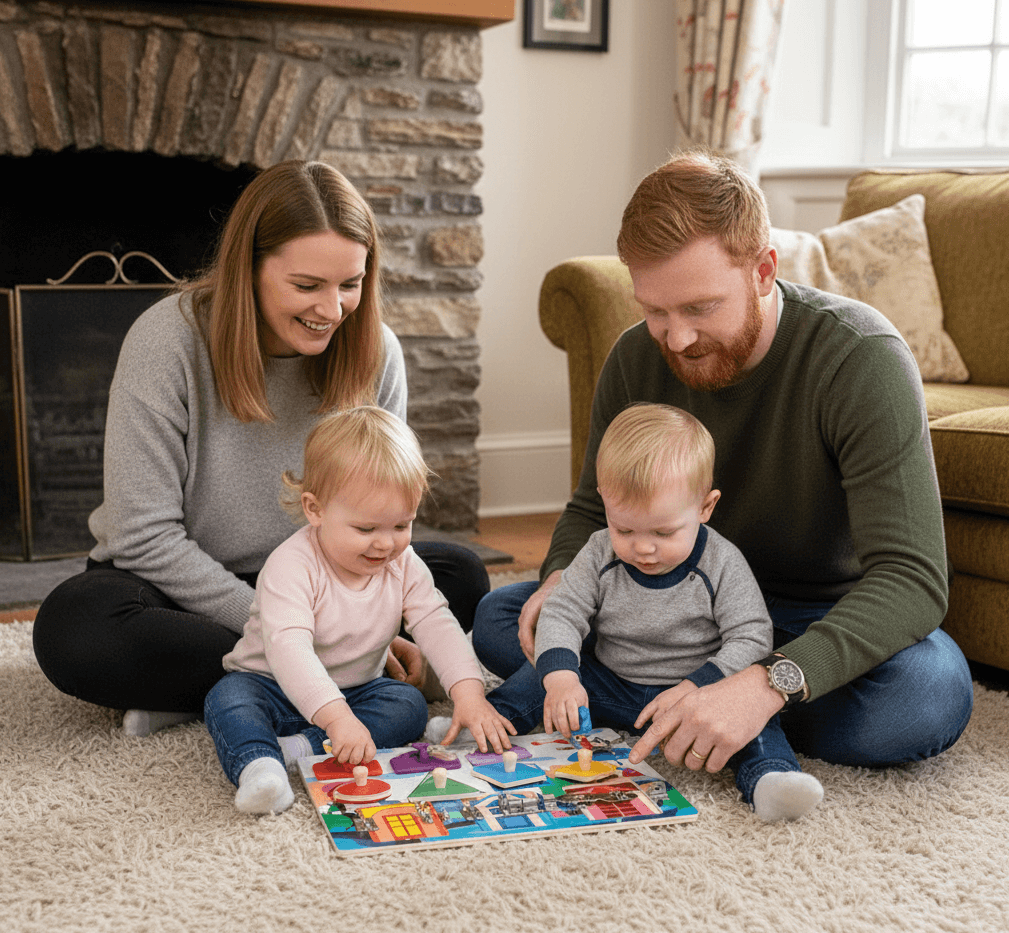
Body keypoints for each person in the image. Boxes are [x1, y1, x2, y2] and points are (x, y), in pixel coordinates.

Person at [473, 147, 973, 785]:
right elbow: (592, 510)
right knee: (504, 619)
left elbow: (912, 579)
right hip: (664, 600)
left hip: (812, 615)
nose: (675, 338)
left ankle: (694, 703)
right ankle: (693, 703)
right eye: (654, 310)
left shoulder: (860, 357)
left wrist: (766, 682)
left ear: (763, 270)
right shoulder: (634, 357)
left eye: (700, 308)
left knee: (922, 700)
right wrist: (560, 578)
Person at [32, 160, 489, 736]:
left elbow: (386, 513)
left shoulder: (376, 350)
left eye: (350, 284)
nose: (331, 310)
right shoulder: (166, 340)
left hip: (331, 577)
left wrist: (348, 614)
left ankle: (232, 692)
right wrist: (289, 628)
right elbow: (140, 535)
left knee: (462, 576)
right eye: (306, 286)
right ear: (247, 269)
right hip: (182, 589)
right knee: (77, 629)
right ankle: (324, 681)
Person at [484, 403, 823, 820]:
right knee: (543, 673)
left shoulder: (721, 562)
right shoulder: (597, 551)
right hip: (609, 685)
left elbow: (752, 637)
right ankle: (488, 723)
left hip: (697, 695)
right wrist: (562, 679)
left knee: (755, 723)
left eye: (664, 532)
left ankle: (771, 781)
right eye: (624, 529)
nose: (642, 548)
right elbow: (563, 611)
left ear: (706, 507)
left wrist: (697, 687)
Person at [204, 406, 513, 815]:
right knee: (227, 700)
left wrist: (469, 694)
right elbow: (289, 649)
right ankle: (261, 769)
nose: (385, 545)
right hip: (270, 683)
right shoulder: (291, 565)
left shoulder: (402, 564)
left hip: (358, 689)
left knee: (407, 706)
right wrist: (335, 719)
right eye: (366, 529)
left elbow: (436, 622)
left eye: (401, 526)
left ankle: (298, 749)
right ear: (315, 509)